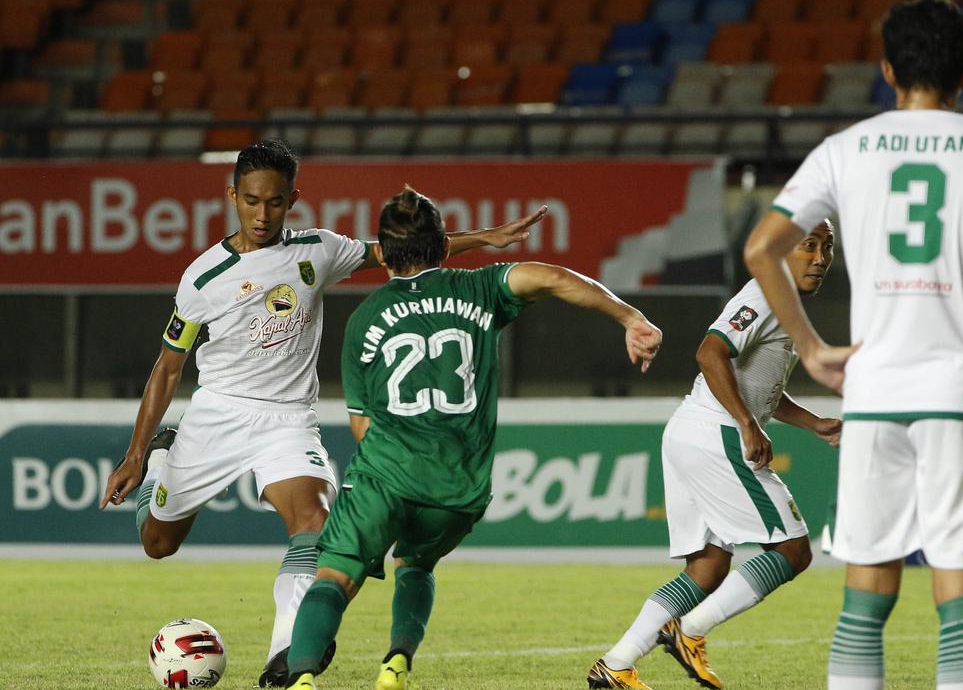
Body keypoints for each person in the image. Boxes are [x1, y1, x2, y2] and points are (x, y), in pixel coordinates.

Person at [97, 139, 543, 687]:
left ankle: (286, 657)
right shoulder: (202, 278)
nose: (263, 214)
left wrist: (483, 239)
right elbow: (168, 368)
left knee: (314, 524)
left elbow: (400, 250)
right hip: (217, 414)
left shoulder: (318, 250)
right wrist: (138, 454)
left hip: (288, 419)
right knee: (157, 544)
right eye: (253, 201)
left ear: (293, 199)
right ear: (232, 195)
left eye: (277, 202)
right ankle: (167, 460)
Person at [743, 0, 963, 690]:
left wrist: (811, 350)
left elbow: (761, 248)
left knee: (861, 610)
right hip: (960, 396)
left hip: (873, 396)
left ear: (884, 68)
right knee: (961, 614)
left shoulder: (845, 150)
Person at [283, 186, 662, 690]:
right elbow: (551, 277)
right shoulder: (482, 289)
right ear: (443, 246)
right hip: (457, 485)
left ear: (384, 252)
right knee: (416, 565)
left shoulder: (365, 319)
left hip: (385, 474)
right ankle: (396, 662)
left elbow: (362, 425)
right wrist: (630, 317)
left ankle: (302, 678)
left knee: (332, 576)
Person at [588, 222, 843, 690]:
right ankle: (690, 630)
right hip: (716, 433)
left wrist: (813, 423)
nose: (821, 257)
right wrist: (746, 424)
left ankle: (616, 665)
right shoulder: (767, 292)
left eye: (828, 247)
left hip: (694, 431)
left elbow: (761, 386)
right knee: (792, 549)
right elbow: (710, 353)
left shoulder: (782, 301)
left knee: (707, 566)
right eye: (810, 245)